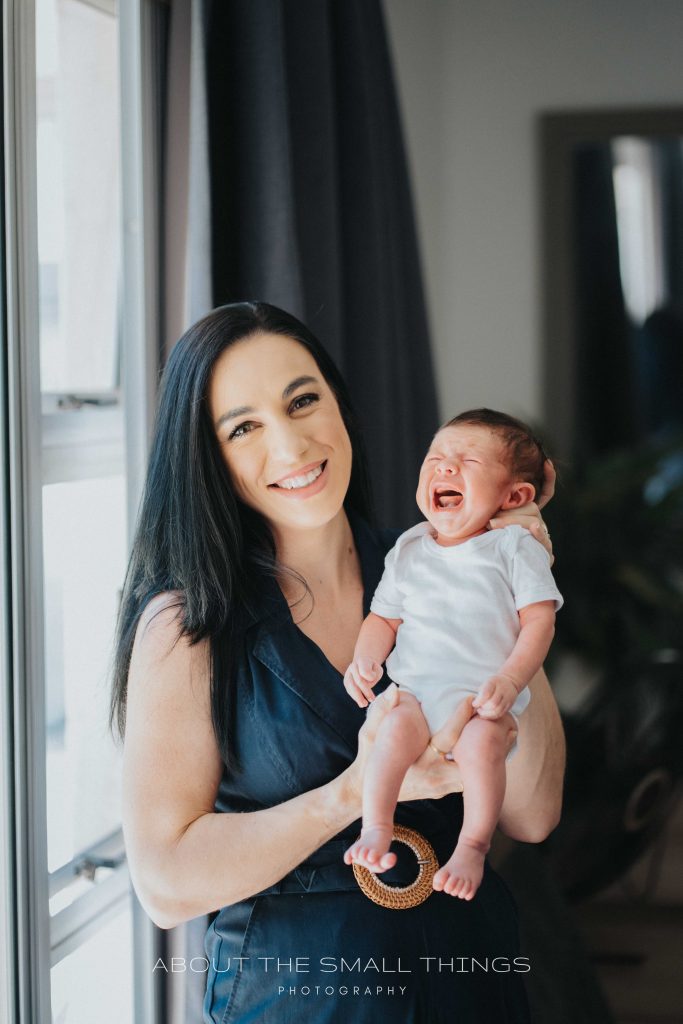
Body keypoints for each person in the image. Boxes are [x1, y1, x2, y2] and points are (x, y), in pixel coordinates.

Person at [111, 302, 565, 1023]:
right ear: (208, 457)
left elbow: (534, 815)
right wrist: (352, 794)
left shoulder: (427, 562)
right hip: (301, 997)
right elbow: (166, 884)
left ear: (339, 406)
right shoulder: (187, 624)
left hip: (468, 976)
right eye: (243, 427)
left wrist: (510, 590)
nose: (292, 445)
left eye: (302, 401)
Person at [343, 410, 563, 901]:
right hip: (416, 695)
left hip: (482, 701)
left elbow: (539, 623)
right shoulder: (409, 548)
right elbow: (383, 619)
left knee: (483, 749)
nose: (445, 467)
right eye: (436, 457)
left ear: (515, 497)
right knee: (392, 735)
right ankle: (376, 827)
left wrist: (511, 680)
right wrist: (365, 660)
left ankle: (473, 846)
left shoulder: (514, 546)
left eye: (469, 460)